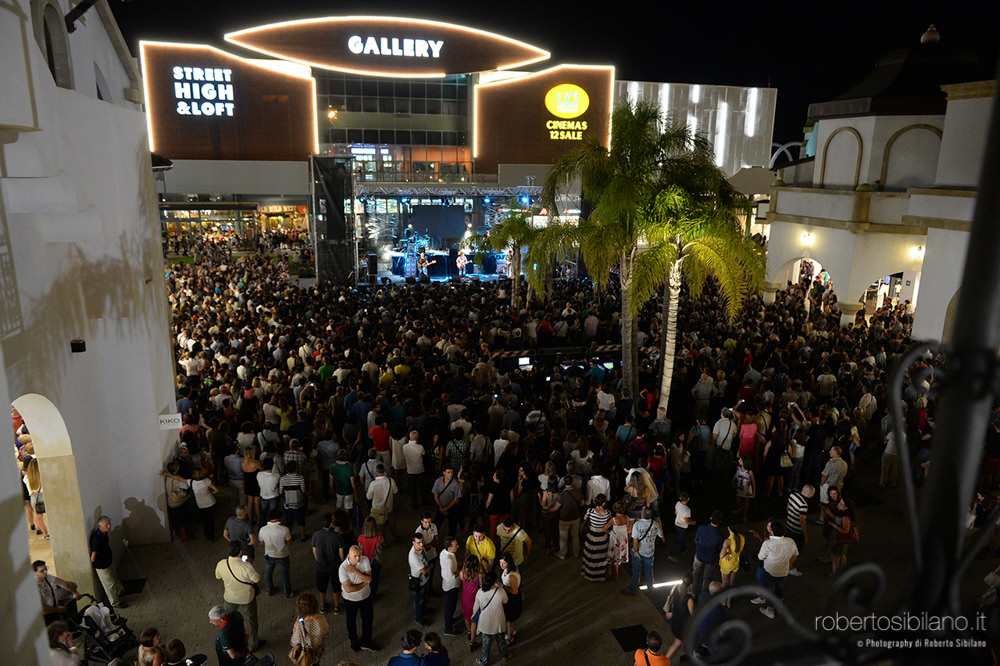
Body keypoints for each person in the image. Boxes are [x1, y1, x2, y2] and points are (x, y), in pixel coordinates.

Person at [214, 540, 263, 651]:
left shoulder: (222, 564)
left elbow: (218, 576)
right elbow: (257, 579)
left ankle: (230, 642)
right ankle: (252, 645)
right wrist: (250, 564)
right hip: (246, 598)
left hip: (229, 597)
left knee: (227, 621)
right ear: (240, 552)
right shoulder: (246, 566)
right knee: (251, 622)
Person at [750, 519, 799, 619]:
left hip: (770, 572)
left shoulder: (768, 544)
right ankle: (779, 607)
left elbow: (760, 557)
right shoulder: (790, 541)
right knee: (779, 588)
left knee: (770, 591)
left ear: (771, 531)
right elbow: (795, 554)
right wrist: (789, 564)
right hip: (784, 571)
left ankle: (770, 610)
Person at [339, 544, 378, 653]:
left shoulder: (364, 560)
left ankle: (366, 641)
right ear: (348, 556)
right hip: (350, 600)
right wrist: (363, 584)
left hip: (365, 597)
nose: (358, 558)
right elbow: (348, 589)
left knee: (368, 619)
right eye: (355, 556)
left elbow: (369, 579)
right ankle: (353, 640)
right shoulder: (342, 569)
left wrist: (355, 571)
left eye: (359, 555)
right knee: (351, 620)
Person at [472, 571, 509, 666]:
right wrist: (499, 586)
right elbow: (505, 601)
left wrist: (473, 614)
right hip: (498, 621)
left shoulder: (480, 592)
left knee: (486, 643)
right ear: (494, 581)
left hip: (485, 622)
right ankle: (505, 656)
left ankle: (484, 661)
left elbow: (476, 606)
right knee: (501, 640)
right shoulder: (500, 591)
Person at [90, 515, 127, 608]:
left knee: (114, 579)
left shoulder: (104, 534)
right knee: (110, 584)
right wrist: (100, 561)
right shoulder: (97, 540)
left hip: (108, 562)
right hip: (102, 566)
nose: (109, 526)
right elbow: (93, 557)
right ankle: (115, 603)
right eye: (106, 525)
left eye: (109, 524)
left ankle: (119, 592)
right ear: (100, 526)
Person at [625, 507, 663, 596]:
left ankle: (633, 590)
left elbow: (635, 540)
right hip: (650, 551)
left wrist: (635, 551)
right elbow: (661, 535)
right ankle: (650, 588)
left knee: (636, 571)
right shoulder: (655, 524)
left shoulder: (637, 525)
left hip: (639, 551)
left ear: (642, 515)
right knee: (649, 570)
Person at [312, 512, 345, 614]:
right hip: (335, 566)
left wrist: (318, 560)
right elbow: (341, 553)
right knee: (336, 587)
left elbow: (314, 550)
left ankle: (322, 606)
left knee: (322, 587)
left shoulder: (316, 535)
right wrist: (343, 563)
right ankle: (336, 606)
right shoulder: (337, 536)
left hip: (322, 566)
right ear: (331, 524)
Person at [34, 560, 82, 625]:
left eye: (46, 568)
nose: (45, 572)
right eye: (41, 571)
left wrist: (75, 592)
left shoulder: (46, 577)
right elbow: (42, 609)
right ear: (34, 572)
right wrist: (59, 609)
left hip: (53, 610)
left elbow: (63, 583)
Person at [259, 509, 294, 597]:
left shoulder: (263, 529)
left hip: (269, 554)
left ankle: (269, 590)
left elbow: (261, 542)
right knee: (285, 574)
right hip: (282, 555)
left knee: (268, 572)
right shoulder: (285, 529)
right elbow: (289, 542)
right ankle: (287, 592)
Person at [289, 592, 329, 665]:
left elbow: (295, 642)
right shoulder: (320, 619)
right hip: (317, 651)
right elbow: (325, 631)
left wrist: (294, 628)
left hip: (305, 654)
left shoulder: (300, 624)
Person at [692, 510, 725, 597]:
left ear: (710, 518)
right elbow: (720, 550)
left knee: (696, 574)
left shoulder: (701, 528)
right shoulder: (719, 536)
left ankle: (693, 592)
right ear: (720, 521)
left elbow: (696, 540)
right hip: (711, 559)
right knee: (706, 578)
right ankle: (703, 594)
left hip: (699, 556)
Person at [784, 484, 814, 576]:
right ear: (808, 494)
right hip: (796, 531)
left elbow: (788, 507)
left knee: (788, 547)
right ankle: (789, 567)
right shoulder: (804, 505)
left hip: (788, 525)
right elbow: (802, 521)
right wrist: (805, 535)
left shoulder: (793, 495)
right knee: (796, 551)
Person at [581, 493, 611, 582]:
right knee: (600, 557)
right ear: (604, 503)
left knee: (590, 556)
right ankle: (599, 576)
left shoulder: (590, 511)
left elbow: (585, 518)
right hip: (602, 537)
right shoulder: (607, 514)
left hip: (592, 536)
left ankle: (588, 574)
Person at [663, 575, 695, 661]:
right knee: (677, 644)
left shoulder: (676, 589)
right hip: (683, 627)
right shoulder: (689, 599)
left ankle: (685, 656)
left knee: (685, 642)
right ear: (691, 585)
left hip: (676, 622)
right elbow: (693, 615)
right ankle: (663, 662)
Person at [366, 463, 399, 541]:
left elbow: (368, 497)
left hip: (377, 509)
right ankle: (394, 537)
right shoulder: (391, 481)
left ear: (376, 472)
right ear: (384, 471)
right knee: (391, 523)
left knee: (380, 527)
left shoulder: (373, 484)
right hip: (388, 507)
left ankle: (383, 541)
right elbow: (395, 491)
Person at [555, 474, 584, 560]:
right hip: (576, 517)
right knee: (575, 536)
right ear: (573, 482)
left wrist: (548, 510)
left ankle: (562, 554)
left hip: (564, 519)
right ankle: (576, 553)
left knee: (563, 538)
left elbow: (557, 507)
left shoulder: (562, 494)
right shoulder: (578, 491)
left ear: (564, 483)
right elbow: (582, 503)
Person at [408, 533, 434, 626]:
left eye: (422, 541)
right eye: (418, 543)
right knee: (418, 600)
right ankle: (419, 618)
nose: (421, 544)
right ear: (413, 543)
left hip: (423, 579)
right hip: (417, 580)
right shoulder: (414, 556)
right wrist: (431, 566)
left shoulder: (420, 548)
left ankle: (424, 609)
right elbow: (423, 570)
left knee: (423, 596)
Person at [432, 465, 463, 539]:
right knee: (436, 525)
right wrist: (441, 508)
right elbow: (435, 496)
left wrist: (445, 509)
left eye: (452, 472)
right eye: (448, 472)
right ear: (444, 473)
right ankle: (434, 540)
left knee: (452, 526)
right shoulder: (438, 481)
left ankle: (450, 541)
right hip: (441, 507)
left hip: (452, 508)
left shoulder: (455, 483)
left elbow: (456, 499)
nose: (450, 474)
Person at [440, 537, 463, 636]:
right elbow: (452, 576)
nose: (458, 546)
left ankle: (449, 620)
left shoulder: (443, 553)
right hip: (451, 585)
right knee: (450, 606)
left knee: (449, 605)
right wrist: (461, 572)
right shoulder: (449, 560)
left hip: (446, 583)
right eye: (455, 545)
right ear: (449, 549)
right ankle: (448, 628)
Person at [356, 516, 384, 596]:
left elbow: (360, 549)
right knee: (374, 580)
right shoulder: (379, 537)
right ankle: (373, 595)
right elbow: (381, 548)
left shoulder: (360, 538)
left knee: (364, 578)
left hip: (364, 561)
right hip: (375, 561)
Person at [190, 467, 220, 541]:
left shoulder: (191, 482)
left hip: (200, 505)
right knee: (211, 521)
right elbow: (216, 490)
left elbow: (179, 479)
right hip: (210, 503)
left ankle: (205, 535)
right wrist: (211, 493)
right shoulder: (206, 481)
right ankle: (211, 538)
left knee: (205, 520)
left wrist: (166, 474)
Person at [719, 525, 745, 607]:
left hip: (727, 564)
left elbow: (721, 555)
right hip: (736, 563)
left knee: (724, 583)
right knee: (731, 583)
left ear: (729, 528)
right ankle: (729, 601)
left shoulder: (728, 541)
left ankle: (723, 601)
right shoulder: (742, 537)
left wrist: (727, 553)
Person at [499, 552, 522, 644]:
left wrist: (503, 587)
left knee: (510, 620)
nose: (501, 565)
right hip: (508, 596)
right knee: (510, 619)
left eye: (504, 563)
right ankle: (513, 631)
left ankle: (509, 638)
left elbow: (515, 591)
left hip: (512, 599)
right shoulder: (510, 568)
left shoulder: (511, 576)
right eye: (500, 563)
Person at [460, 554, 481, 649]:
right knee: (474, 621)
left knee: (466, 617)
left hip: (465, 600)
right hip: (474, 602)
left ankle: (469, 631)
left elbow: (464, 569)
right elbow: (485, 573)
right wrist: (480, 563)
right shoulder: (479, 576)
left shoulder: (462, 574)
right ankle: (472, 641)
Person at [667, 491, 695, 562]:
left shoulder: (678, 503)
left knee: (681, 538)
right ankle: (671, 555)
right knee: (680, 541)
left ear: (680, 498)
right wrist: (693, 522)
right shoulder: (687, 510)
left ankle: (683, 549)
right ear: (688, 499)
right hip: (683, 527)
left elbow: (675, 512)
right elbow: (687, 521)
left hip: (676, 524)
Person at [606, 500, 630, 581]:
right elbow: (629, 530)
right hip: (623, 540)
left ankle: (615, 575)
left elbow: (604, 528)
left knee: (613, 554)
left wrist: (610, 533)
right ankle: (611, 572)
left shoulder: (613, 519)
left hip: (615, 539)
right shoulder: (627, 518)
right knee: (619, 554)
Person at [732, 457, 755, 524]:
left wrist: (754, 491)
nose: (739, 460)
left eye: (740, 460)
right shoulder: (738, 469)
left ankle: (744, 515)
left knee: (746, 502)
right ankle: (740, 509)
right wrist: (733, 483)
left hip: (747, 489)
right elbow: (735, 477)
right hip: (739, 487)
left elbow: (753, 482)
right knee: (738, 500)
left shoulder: (749, 471)